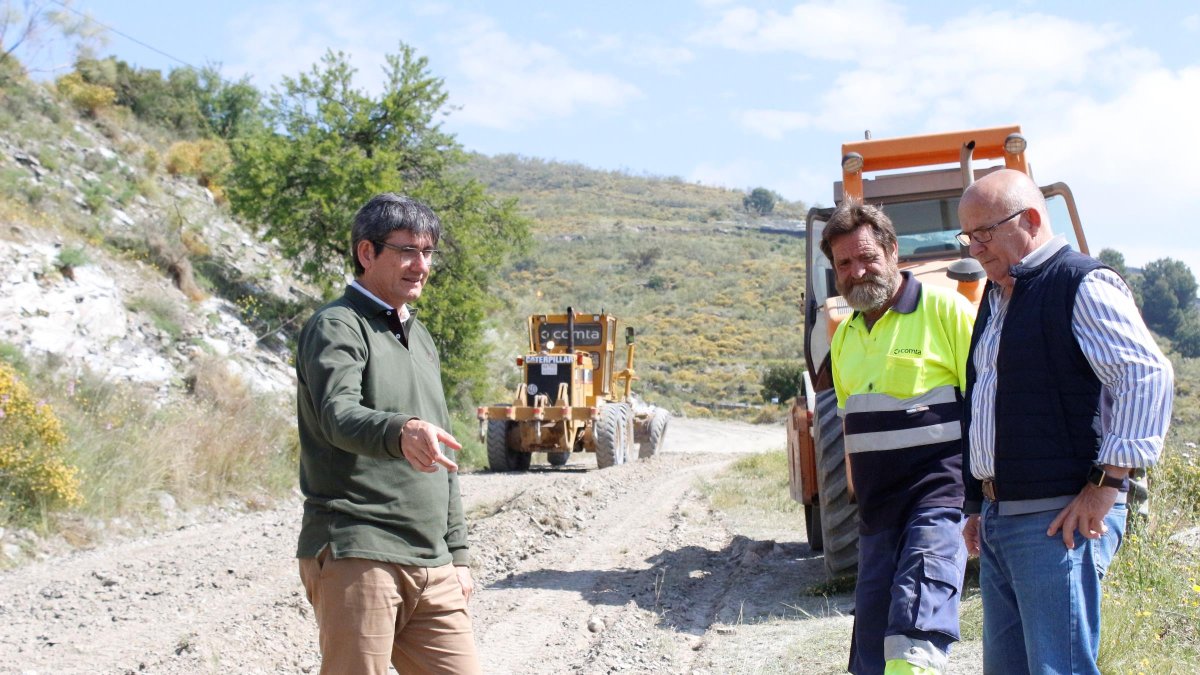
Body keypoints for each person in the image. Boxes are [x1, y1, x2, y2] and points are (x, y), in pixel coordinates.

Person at [957, 169, 1173, 675]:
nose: (975, 247)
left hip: (1056, 522)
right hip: (1001, 520)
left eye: (984, 233)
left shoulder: (1080, 282)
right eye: (967, 237)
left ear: (1030, 220)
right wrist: (977, 503)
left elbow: (1146, 375)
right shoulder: (997, 296)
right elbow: (989, 404)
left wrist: (1107, 485)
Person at [294, 193, 481, 675]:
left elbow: (445, 453)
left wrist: (457, 553)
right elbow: (338, 414)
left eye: (428, 252)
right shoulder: (337, 326)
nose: (420, 265)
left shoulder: (420, 337)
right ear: (366, 253)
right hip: (359, 549)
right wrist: (402, 430)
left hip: (433, 563)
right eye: (406, 251)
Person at [822, 200, 976, 675]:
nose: (856, 271)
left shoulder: (945, 309)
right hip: (876, 516)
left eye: (866, 257)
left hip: (938, 499)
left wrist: (983, 500)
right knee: (871, 649)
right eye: (844, 264)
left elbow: (987, 402)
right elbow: (851, 428)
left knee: (916, 634)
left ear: (892, 252)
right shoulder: (844, 335)